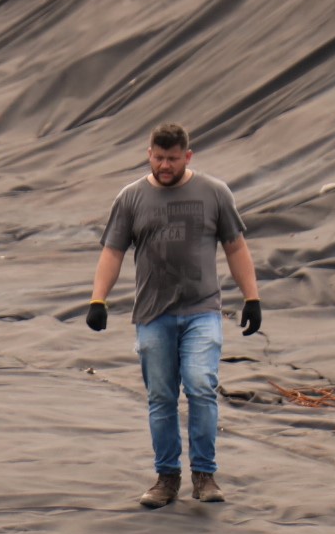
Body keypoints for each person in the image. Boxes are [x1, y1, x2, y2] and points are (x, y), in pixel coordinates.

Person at [86, 122, 261, 506]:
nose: (165, 165)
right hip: (153, 315)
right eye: (158, 157)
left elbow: (235, 246)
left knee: (200, 386)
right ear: (149, 153)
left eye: (173, 158)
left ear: (188, 157)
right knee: (161, 397)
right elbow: (112, 252)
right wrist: (98, 299)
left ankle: (205, 475)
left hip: (202, 311)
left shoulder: (214, 193)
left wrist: (252, 298)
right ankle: (166, 478)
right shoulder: (131, 198)